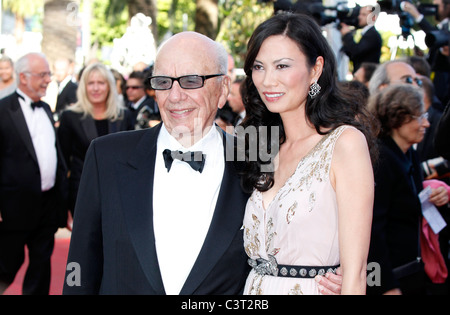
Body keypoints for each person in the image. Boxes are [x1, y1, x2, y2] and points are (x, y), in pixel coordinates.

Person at [62, 31, 343, 295]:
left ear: (222, 90)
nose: (175, 96)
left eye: (191, 80)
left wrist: (331, 275)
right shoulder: (107, 155)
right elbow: (81, 265)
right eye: (163, 82)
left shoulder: (257, 155)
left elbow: (307, 222)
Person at [239, 13, 375, 295]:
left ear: (315, 69)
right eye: (259, 67)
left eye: (282, 66)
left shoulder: (345, 143)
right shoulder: (262, 145)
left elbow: (356, 274)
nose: (267, 80)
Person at [367, 84, 449, 295]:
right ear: (399, 118)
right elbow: (372, 229)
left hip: (411, 269)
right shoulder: (382, 160)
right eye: (420, 116)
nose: (427, 123)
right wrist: (385, 285)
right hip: (391, 275)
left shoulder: (408, 154)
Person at [0, 52, 68, 294]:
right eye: (43, 74)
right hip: (12, 207)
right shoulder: (3, 110)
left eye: (49, 74)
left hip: (47, 205)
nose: (48, 79)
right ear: (23, 77)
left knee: (41, 267)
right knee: (6, 264)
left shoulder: (47, 110)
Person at [57, 63, 134, 217]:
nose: (96, 88)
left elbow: (131, 158)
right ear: (83, 87)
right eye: (90, 83)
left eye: (101, 83)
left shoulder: (123, 116)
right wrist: (62, 206)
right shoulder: (70, 117)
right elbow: (62, 163)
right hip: (81, 193)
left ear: (110, 86)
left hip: (117, 193)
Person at [401, 0, 450, 106]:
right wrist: (424, 57)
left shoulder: (447, 27)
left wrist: (417, 15)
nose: (433, 9)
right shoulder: (441, 26)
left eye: (437, 6)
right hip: (436, 86)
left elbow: (437, 37)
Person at [340, 5, 382, 73]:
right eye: (359, 14)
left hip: (366, 76)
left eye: (364, 15)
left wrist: (347, 35)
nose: (359, 17)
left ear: (373, 18)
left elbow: (356, 51)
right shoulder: (367, 33)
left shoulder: (372, 34)